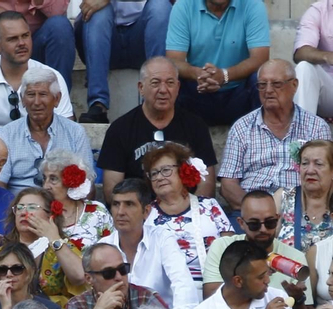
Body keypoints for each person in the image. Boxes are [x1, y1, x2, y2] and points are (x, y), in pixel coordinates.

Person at [96, 57, 219, 200]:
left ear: (178, 87)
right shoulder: (119, 129)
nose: (163, 90)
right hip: (139, 214)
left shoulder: (196, 126)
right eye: (155, 83)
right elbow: (112, 191)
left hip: (186, 213)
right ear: (141, 88)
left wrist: (189, 213)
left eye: (170, 83)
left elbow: (207, 184)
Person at [218, 61, 332, 212]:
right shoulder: (242, 127)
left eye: (276, 84)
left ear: (294, 85)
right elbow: (228, 184)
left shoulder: (317, 127)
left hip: (300, 211)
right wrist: (257, 212)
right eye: (262, 85)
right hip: (254, 214)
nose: (268, 90)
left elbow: (325, 178)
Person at [0, 11, 76, 132]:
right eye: (13, 39)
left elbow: (67, 132)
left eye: (25, 36)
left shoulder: (52, 77)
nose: (22, 43)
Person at [98, 179, 200, 309]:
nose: (120, 212)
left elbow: (183, 287)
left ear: (146, 211)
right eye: (116, 204)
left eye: (129, 204)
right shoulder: (103, 246)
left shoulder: (162, 238)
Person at [142, 141, 237, 286]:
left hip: (212, 284)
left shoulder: (209, 205)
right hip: (164, 289)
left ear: (182, 171)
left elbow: (231, 247)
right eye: (154, 173)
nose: (159, 177)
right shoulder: (146, 213)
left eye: (166, 170)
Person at [165, 0, 274, 126]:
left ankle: (265, 139)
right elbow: (174, 60)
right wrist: (198, 74)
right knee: (167, 80)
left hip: (239, 94)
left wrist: (224, 75)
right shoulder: (184, 6)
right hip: (198, 91)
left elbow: (260, 59)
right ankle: (165, 142)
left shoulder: (252, 5)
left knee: (262, 79)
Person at [0, 187, 88, 309]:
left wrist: (54, 238)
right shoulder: (2, 252)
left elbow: (80, 276)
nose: (24, 213)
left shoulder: (61, 246)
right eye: (19, 208)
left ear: (50, 215)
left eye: (32, 207)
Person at [202, 190, 307, 308]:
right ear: (241, 223)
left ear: (278, 220)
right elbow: (211, 299)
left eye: (270, 222)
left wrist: (298, 300)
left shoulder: (296, 257)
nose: (263, 229)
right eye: (254, 224)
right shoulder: (222, 247)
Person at [74, 0, 172, 123]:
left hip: (142, 41)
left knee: (160, 5)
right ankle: (98, 104)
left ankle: (153, 102)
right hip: (105, 45)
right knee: (97, 10)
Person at [0, 70, 94, 192]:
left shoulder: (75, 132)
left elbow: (86, 184)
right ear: (22, 99)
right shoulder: (6, 134)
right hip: (20, 206)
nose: (37, 102)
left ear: (57, 99)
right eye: (31, 95)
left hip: (63, 205)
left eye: (43, 94)